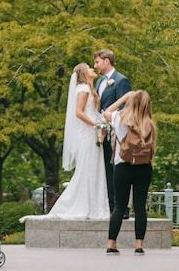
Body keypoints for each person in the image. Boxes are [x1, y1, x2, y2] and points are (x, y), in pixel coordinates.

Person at [23, 64, 109, 220]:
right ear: (84, 73)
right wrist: (96, 124)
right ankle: (84, 206)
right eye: (89, 68)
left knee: (93, 169)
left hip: (92, 133)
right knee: (87, 169)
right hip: (87, 134)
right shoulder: (83, 89)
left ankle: (94, 206)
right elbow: (79, 113)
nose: (92, 69)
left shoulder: (88, 88)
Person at [103, 90, 156, 256]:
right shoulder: (149, 124)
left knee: (119, 206)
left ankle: (111, 244)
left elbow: (106, 113)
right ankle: (139, 245)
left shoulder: (120, 119)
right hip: (144, 168)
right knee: (140, 207)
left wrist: (124, 98)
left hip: (122, 166)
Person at [94, 49, 131, 213]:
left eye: (97, 62)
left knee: (118, 171)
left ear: (107, 61)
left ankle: (121, 208)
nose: (95, 66)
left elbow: (125, 108)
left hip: (116, 133)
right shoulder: (99, 82)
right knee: (106, 170)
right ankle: (110, 206)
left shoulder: (121, 81)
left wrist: (113, 126)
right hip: (102, 133)